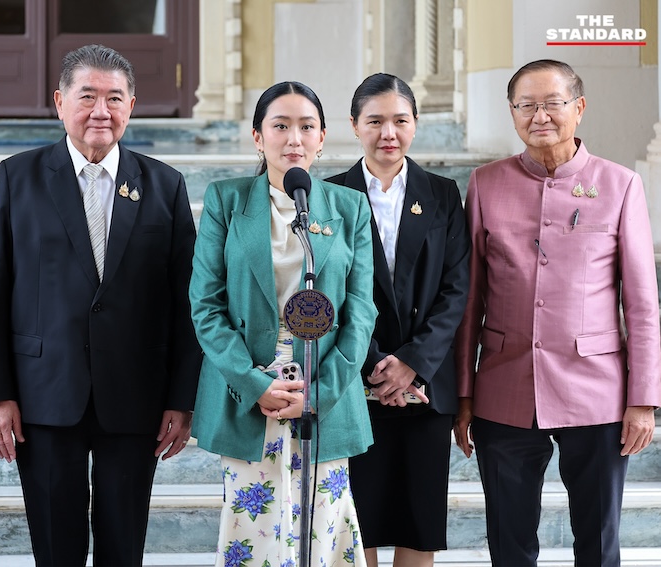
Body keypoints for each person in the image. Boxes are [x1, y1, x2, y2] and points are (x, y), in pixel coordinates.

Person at [0, 44, 202, 566]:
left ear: (132, 106)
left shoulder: (164, 185)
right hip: (42, 396)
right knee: (56, 546)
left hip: (135, 398)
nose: (102, 110)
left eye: (115, 98)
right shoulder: (17, 177)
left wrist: (182, 399)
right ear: (59, 101)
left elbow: (187, 303)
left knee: (123, 548)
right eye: (88, 96)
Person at [454, 59, 661, 566]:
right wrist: (463, 393)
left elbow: (641, 304)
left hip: (597, 390)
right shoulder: (485, 184)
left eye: (552, 103)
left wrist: (644, 399)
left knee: (598, 540)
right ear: (512, 112)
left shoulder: (619, 185)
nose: (539, 115)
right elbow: (468, 300)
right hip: (503, 388)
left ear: (579, 108)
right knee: (509, 539)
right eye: (526, 105)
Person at [190, 81, 377, 566]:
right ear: (257, 136)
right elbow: (206, 307)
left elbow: (360, 310)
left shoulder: (349, 207)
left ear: (322, 137)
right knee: (253, 531)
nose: (294, 138)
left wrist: (317, 393)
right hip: (250, 391)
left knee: (324, 528)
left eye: (306, 127)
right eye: (280, 126)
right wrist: (254, 385)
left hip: (324, 392)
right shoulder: (226, 201)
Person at [326, 73, 470, 567]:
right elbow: (327, 294)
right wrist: (374, 366)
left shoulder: (443, 194)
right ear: (354, 125)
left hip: (425, 389)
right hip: (351, 383)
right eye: (375, 121)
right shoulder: (330, 196)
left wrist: (413, 363)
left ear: (415, 125)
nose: (389, 132)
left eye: (400, 120)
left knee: (418, 523)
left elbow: (456, 290)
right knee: (355, 522)